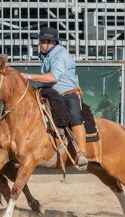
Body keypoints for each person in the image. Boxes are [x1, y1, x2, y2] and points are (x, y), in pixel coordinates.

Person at [20, 27, 89, 169]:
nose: (39, 44)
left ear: (51, 41)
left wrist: (28, 76)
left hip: (67, 94)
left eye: (42, 41)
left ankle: (81, 153)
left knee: (75, 116)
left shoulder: (59, 56)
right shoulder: (49, 55)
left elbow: (52, 77)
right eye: (40, 41)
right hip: (51, 93)